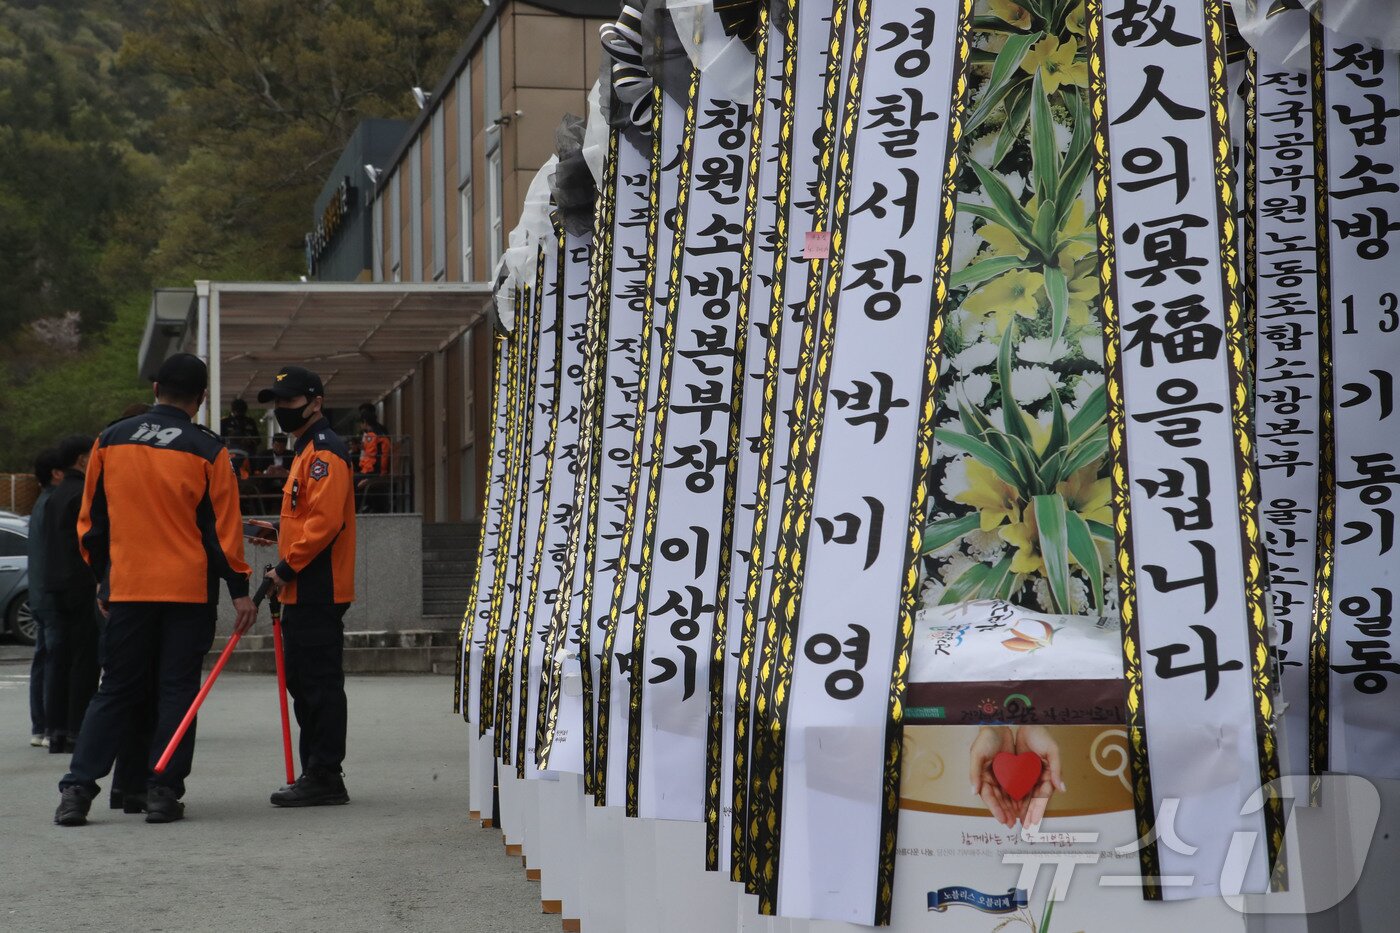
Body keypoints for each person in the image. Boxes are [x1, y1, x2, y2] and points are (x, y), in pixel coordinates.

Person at [54, 353, 256, 827]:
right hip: (188, 591)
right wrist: (239, 590)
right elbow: (223, 531)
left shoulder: (110, 440)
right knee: (177, 691)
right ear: (201, 397)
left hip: (129, 588)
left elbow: (91, 523)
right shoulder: (208, 450)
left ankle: (77, 791)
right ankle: (162, 791)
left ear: (155, 388)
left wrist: (104, 578)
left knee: (115, 689)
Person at [257, 365, 356, 807]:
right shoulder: (305, 452)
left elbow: (326, 523)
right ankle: (315, 770)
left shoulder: (324, 453)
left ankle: (325, 774)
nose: (282, 409)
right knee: (303, 682)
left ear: (316, 402)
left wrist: (285, 567)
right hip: (303, 587)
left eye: (290, 401)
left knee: (318, 685)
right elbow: (306, 517)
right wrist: (276, 532)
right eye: (277, 402)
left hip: (318, 586)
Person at [42, 434, 99, 755]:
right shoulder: (82, 493)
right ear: (81, 459)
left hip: (55, 583)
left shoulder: (56, 494)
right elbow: (90, 541)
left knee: (60, 658)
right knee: (84, 659)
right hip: (80, 583)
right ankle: (78, 729)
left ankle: (57, 731)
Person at [26, 448, 62, 748]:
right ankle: (51, 727)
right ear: (57, 473)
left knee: (43, 659)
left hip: (39, 593)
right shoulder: (55, 503)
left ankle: (40, 727)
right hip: (52, 596)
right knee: (54, 661)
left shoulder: (41, 503)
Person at [356, 404, 393, 513]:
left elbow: (372, 458)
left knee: (353, 482)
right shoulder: (381, 433)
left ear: (365, 422)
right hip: (378, 471)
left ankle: (356, 510)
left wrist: (367, 475)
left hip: (374, 472)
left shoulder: (372, 436)